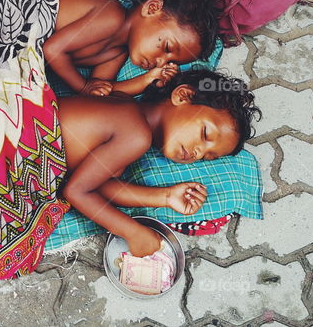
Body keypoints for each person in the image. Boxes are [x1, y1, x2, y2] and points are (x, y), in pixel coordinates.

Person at [58, 69, 261, 257]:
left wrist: (166, 197)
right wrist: (133, 232)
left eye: (207, 156)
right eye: (205, 134)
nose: (198, 152)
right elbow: (76, 191)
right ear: (183, 96)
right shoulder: (136, 135)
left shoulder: (128, 110)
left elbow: (95, 186)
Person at [45, 0, 218, 97]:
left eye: (170, 62)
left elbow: (99, 90)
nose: (160, 62)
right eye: (167, 48)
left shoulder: (117, 53)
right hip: (27, 17)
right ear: (152, 9)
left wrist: (147, 79)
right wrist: (82, 87)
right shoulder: (112, 16)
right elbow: (52, 49)